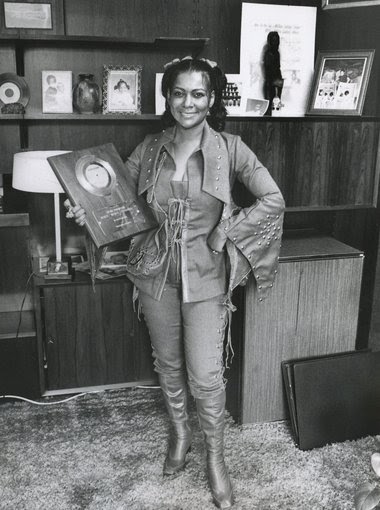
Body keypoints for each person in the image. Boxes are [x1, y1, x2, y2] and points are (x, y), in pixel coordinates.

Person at [70, 56, 285, 509]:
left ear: (211, 99)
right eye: (179, 92)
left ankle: (215, 459)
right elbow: (114, 198)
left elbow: (272, 199)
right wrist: (85, 209)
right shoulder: (149, 148)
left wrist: (227, 230)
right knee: (167, 365)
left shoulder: (231, 148)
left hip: (207, 278)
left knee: (206, 376)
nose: (188, 102)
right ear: (167, 97)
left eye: (199, 93)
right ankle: (182, 434)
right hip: (154, 274)